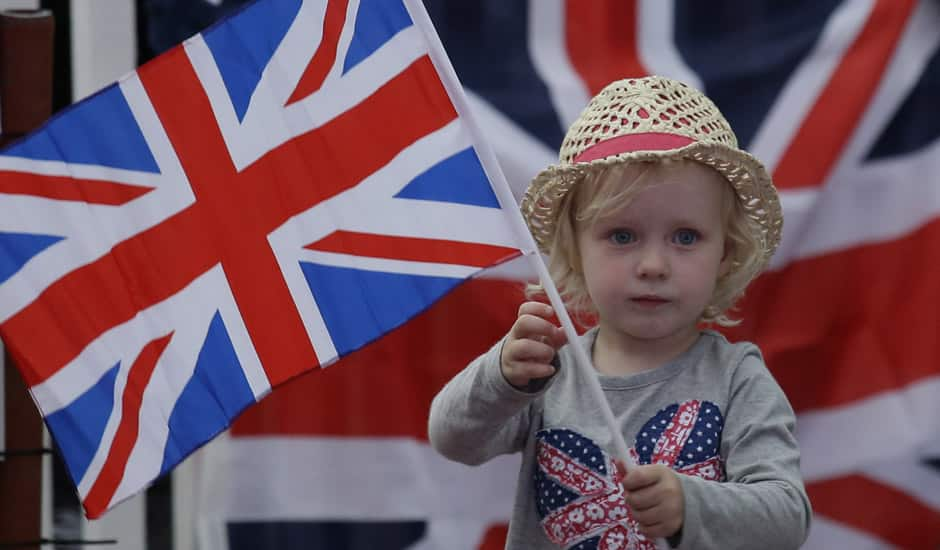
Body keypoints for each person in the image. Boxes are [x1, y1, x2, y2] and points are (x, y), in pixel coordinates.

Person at [428, 76, 811, 549]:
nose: (653, 266)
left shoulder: (737, 378)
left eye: (686, 237)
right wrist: (502, 377)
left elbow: (787, 517)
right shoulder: (550, 372)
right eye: (623, 236)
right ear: (575, 253)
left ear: (725, 256)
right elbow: (452, 438)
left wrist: (690, 505)